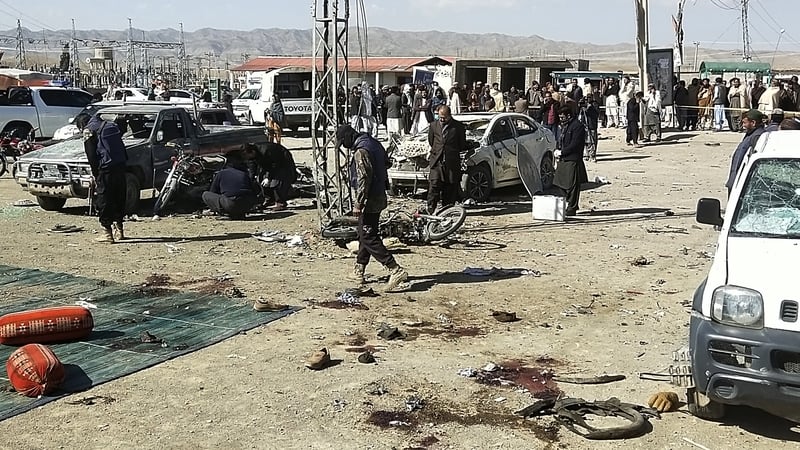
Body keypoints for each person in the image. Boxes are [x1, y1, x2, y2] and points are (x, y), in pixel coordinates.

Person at [336, 124, 408, 291]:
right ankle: (359, 269)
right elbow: (387, 163)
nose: (345, 146)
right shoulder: (373, 143)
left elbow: (363, 179)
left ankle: (394, 269)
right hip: (379, 193)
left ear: (348, 138)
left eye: (343, 142)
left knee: (368, 236)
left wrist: (358, 203)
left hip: (370, 199)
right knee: (365, 232)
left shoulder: (361, 151)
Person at [75, 113, 129, 243]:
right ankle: (119, 230)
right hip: (120, 166)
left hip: (105, 169)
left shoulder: (89, 130)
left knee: (104, 199)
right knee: (119, 197)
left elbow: (91, 155)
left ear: (81, 125)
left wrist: (96, 174)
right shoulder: (109, 125)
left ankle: (107, 233)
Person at [427, 105, 466, 212]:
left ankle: (447, 210)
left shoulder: (458, 127)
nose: (442, 120)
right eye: (440, 117)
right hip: (437, 161)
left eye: (444, 118)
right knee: (434, 185)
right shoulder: (433, 126)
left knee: (449, 188)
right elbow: (431, 141)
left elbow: (462, 144)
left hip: (451, 162)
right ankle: (430, 208)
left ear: (449, 116)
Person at [202, 150, 260, 220]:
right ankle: (239, 214)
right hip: (248, 204)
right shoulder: (244, 174)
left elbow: (213, 191)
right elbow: (254, 190)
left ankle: (227, 213)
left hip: (231, 204)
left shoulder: (221, 173)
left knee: (205, 194)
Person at [553, 107, 588, 217]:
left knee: (572, 186)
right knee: (559, 182)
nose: (561, 119)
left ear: (568, 115)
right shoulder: (564, 126)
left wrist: (562, 152)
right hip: (563, 159)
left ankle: (572, 207)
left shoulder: (577, 126)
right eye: (560, 117)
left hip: (573, 158)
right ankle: (569, 202)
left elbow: (575, 144)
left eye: (562, 117)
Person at [725, 109, 766, 194]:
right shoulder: (750, 134)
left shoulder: (757, 136)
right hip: (736, 178)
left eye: (744, 123)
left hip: (742, 180)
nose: (743, 125)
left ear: (753, 123)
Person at [256, 142, 297, 211]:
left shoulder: (266, 151)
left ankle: (280, 202)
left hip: (282, 162)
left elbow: (275, 165)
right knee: (260, 179)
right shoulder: (254, 155)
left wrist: (268, 178)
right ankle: (269, 199)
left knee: (277, 181)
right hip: (270, 165)